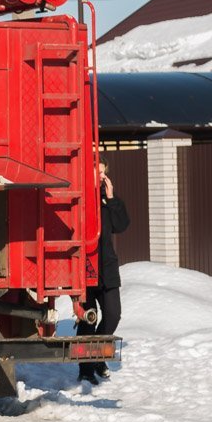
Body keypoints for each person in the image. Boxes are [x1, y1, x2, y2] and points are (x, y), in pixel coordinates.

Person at [78, 159, 129, 384]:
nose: (100, 177)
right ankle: (86, 369)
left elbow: (122, 225)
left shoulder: (107, 202)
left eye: (103, 173)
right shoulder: (79, 199)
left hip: (107, 268)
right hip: (85, 268)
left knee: (113, 315)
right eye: (97, 172)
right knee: (88, 320)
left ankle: (96, 358)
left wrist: (111, 198)